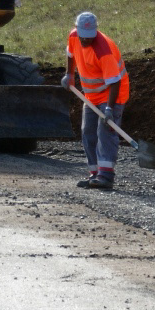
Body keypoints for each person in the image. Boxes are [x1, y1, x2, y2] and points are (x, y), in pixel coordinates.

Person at [63, 11, 129, 190]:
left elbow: (115, 82)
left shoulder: (103, 50)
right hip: (91, 94)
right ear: (77, 31)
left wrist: (109, 109)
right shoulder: (73, 37)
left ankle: (106, 176)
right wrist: (69, 75)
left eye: (89, 37)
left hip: (112, 94)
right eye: (83, 37)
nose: (85, 41)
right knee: (87, 131)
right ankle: (94, 173)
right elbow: (70, 55)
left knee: (105, 131)